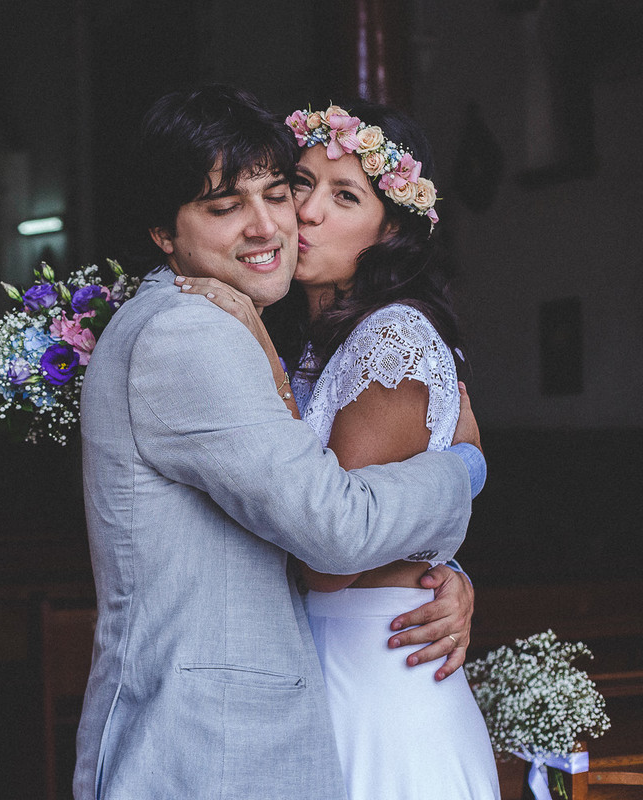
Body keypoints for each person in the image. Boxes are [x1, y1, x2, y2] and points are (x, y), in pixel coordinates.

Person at [75, 84, 486, 800]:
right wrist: (464, 470)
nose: (276, 223)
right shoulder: (191, 330)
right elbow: (332, 530)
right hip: (212, 743)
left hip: (334, 691)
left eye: (275, 192)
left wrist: (441, 573)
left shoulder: (307, 333)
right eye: (225, 207)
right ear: (164, 233)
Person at [183, 99, 499, 799]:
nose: (307, 212)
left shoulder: (391, 339)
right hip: (326, 668)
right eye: (301, 183)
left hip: (378, 683)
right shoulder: (325, 342)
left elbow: (332, 559)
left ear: (391, 229)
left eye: (345, 195)